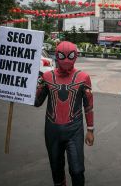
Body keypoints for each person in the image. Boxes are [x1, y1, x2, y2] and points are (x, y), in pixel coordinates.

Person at [35, 41, 94, 186]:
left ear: (76, 56)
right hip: (52, 131)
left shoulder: (83, 77)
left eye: (70, 56)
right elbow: (37, 102)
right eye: (62, 56)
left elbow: (88, 106)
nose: (66, 60)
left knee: (77, 170)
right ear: (56, 56)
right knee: (56, 169)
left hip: (74, 130)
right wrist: (24, 90)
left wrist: (90, 130)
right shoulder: (47, 77)